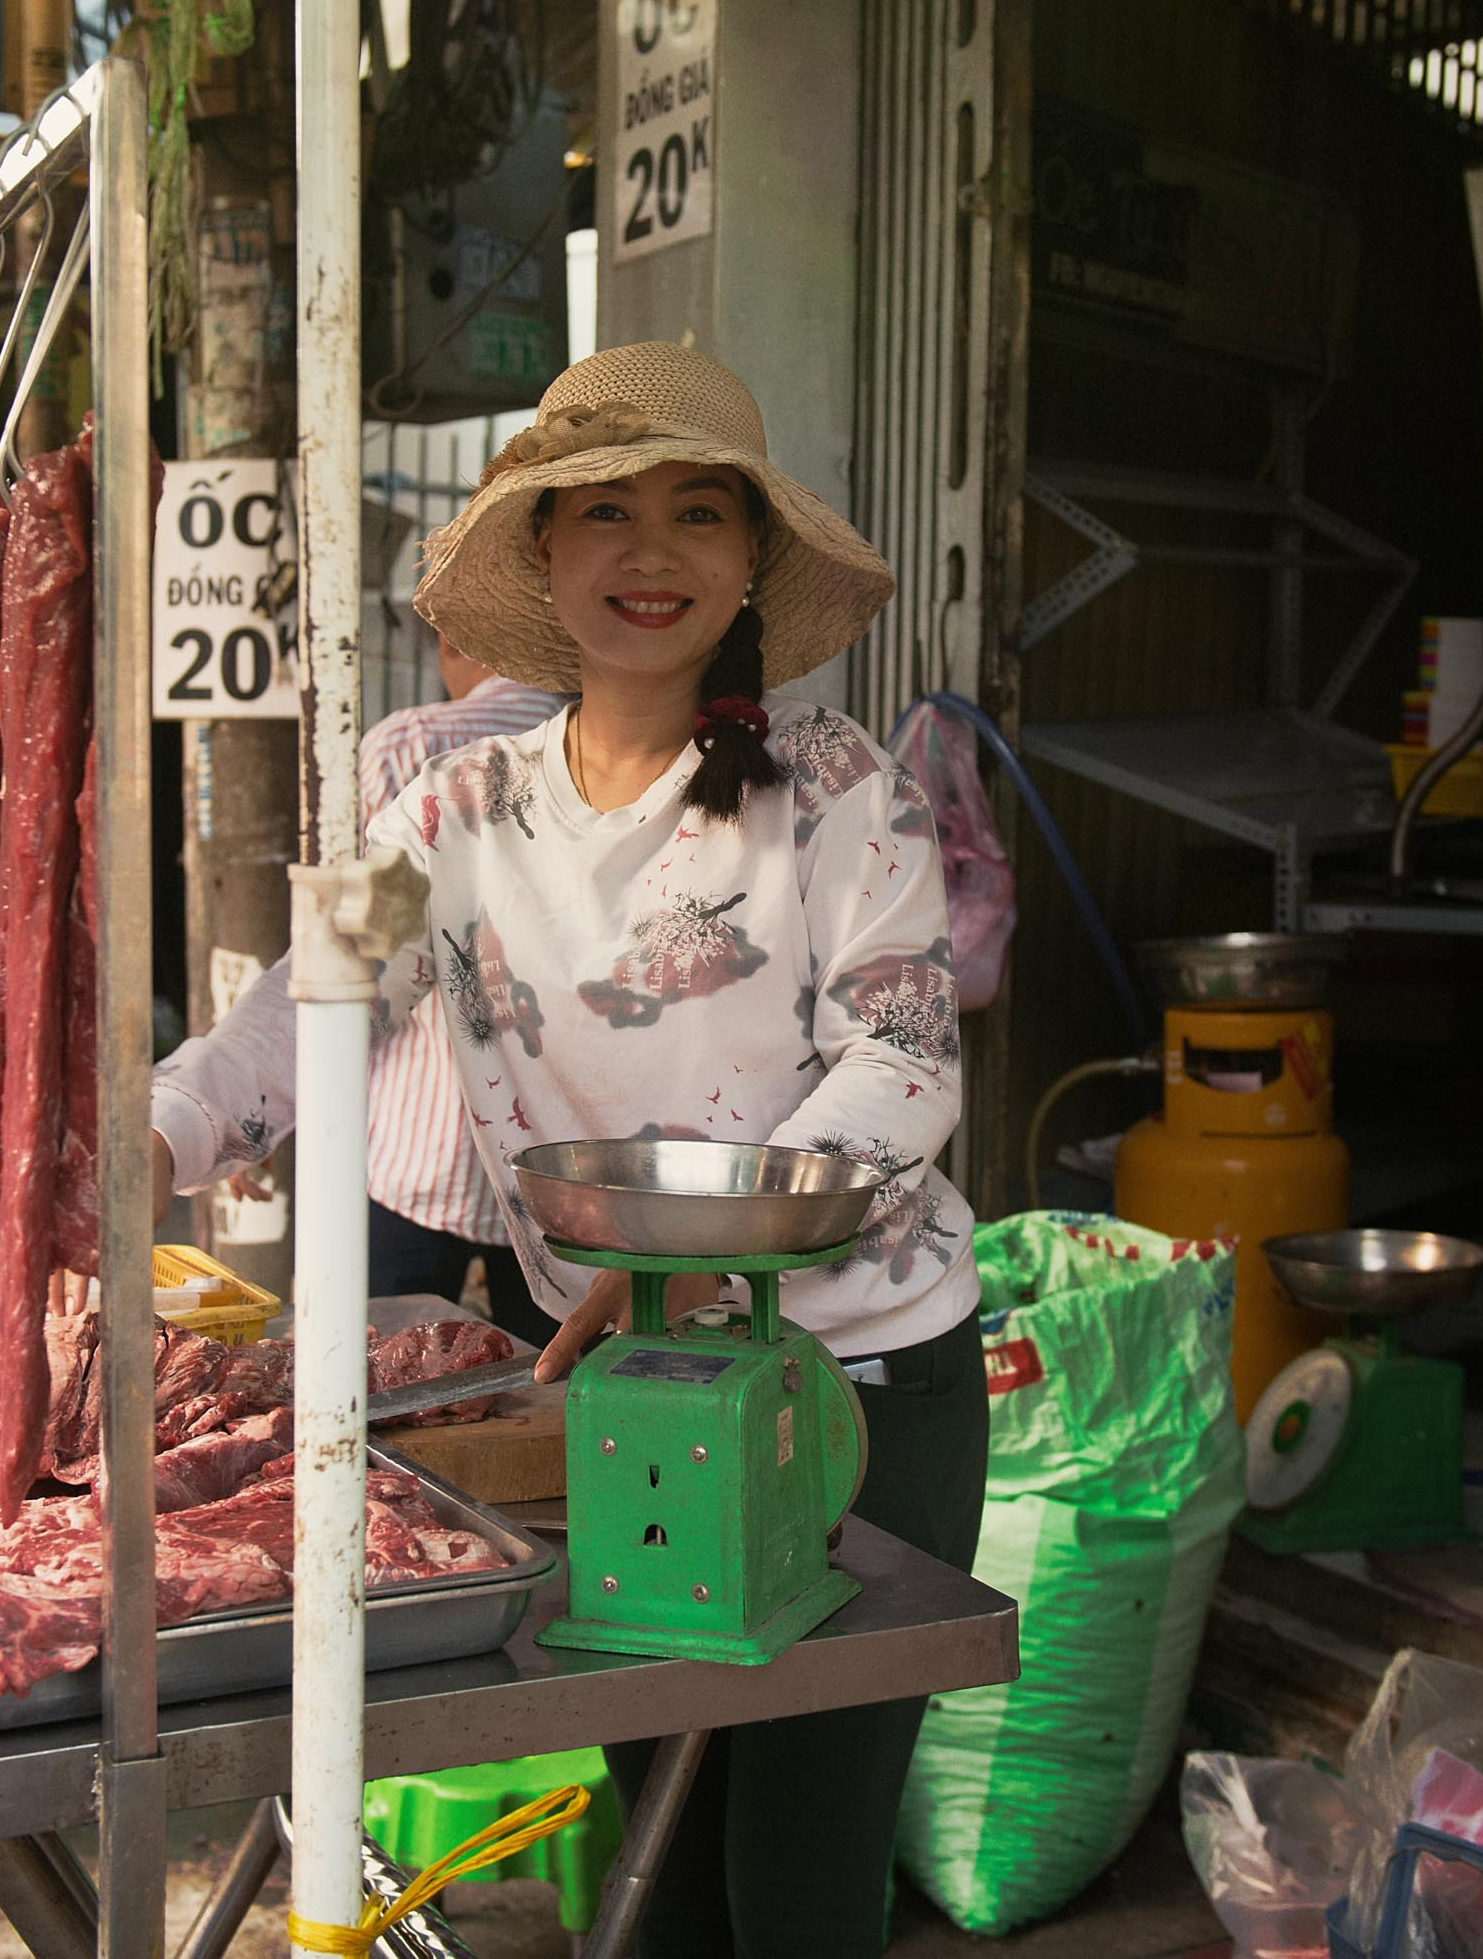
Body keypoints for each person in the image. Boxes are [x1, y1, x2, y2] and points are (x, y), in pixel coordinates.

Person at [147, 343, 987, 1959]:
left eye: (693, 513)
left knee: (799, 1879)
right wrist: (156, 1132)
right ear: (540, 556)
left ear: (750, 562)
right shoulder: (452, 818)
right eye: (600, 513)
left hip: (859, 1384)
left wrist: (691, 1260)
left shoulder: (836, 791)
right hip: (614, 1385)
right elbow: (304, 1007)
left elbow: (902, 1064)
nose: (648, 553)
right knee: (657, 1841)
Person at [360, 636, 565, 1346]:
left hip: (418, 1156)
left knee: (382, 1399)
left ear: (449, 641)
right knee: (545, 1419)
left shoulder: (411, 742)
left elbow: (361, 954)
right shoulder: (611, 756)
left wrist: (270, 1101)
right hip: (556, 1169)